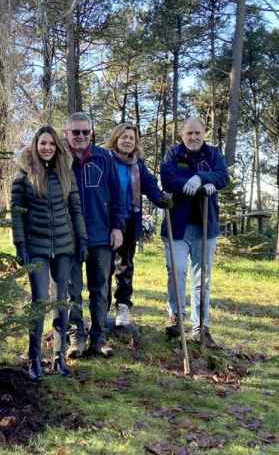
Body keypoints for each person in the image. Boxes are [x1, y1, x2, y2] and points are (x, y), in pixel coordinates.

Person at [11, 126, 88, 380]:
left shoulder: (66, 174)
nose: (47, 148)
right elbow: (18, 213)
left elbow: (76, 209)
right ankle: (34, 359)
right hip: (37, 248)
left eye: (52, 144)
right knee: (40, 301)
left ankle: (59, 357)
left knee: (61, 303)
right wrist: (20, 245)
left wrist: (82, 241)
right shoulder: (24, 175)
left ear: (57, 148)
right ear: (35, 145)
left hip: (65, 247)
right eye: (43, 143)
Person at [160, 117, 228, 346]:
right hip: (177, 226)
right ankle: (176, 317)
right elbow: (168, 179)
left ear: (204, 133)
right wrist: (193, 183)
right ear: (182, 135)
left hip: (205, 226)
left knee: (203, 279)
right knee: (176, 271)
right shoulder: (173, 154)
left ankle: (201, 327)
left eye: (197, 133)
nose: (194, 137)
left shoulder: (213, 154)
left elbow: (222, 176)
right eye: (189, 133)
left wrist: (203, 178)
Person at [63, 112, 127, 358]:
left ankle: (99, 337)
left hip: (101, 235)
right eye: (75, 132)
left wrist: (117, 227)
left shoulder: (104, 158)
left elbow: (118, 196)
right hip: (68, 236)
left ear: (92, 133)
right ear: (66, 133)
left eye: (85, 132)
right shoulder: (59, 159)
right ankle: (75, 337)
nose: (80, 136)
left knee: (100, 289)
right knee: (72, 290)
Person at [105, 123, 171, 328]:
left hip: (130, 222)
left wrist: (163, 200)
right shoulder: (105, 160)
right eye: (123, 137)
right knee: (103, 267)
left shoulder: (138, 165)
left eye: (131, 138)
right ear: (116, 139)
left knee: (125, 267)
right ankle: (101, 310)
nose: (127, 141)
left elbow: (151, 187)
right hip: (106, 222)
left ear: (136, 142)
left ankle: (122, 308)